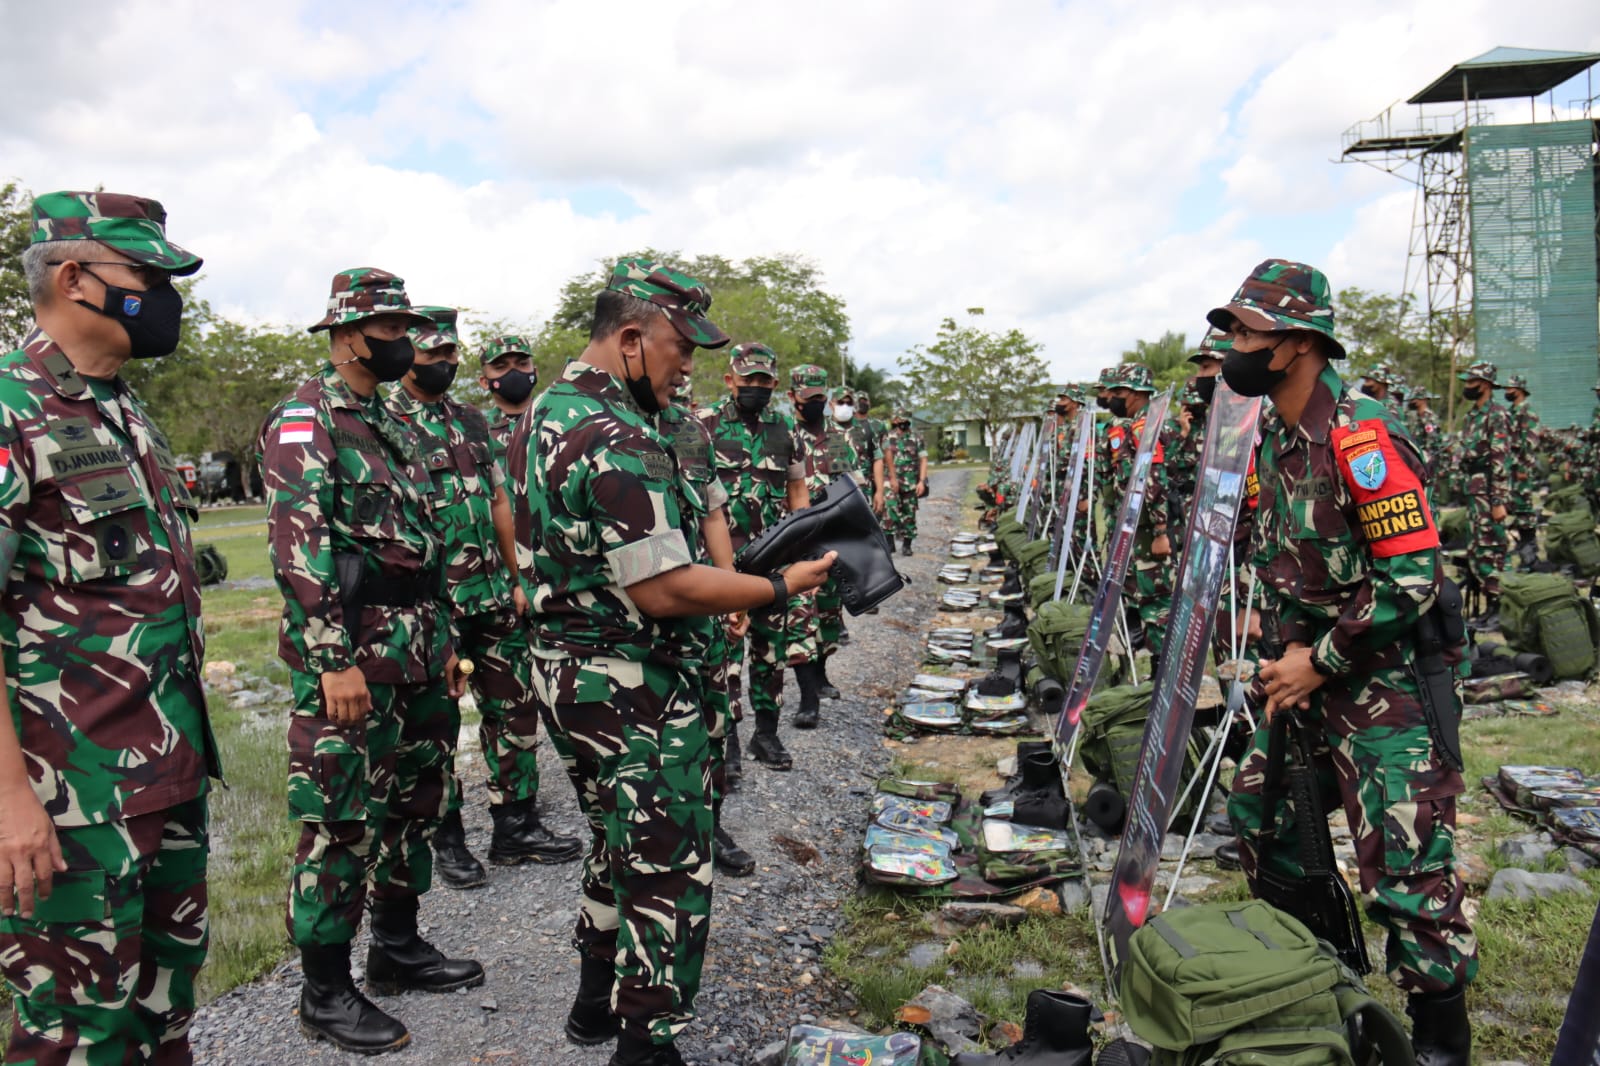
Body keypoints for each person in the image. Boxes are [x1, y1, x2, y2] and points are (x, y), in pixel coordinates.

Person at [508, 257, 833, 1066]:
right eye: (678, 347)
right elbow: (662, 588)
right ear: (628, 338)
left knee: (618, 840)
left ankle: (593, 1000)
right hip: (632, 687)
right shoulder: (614, 434)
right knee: (666, 866)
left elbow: (518, 530)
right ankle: (645, 1043)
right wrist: (774, 584)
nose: (689, 366)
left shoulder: (548, 408)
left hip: (569, 673)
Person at [1211, 259, 1476, 1063]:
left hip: (1386, 686)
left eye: (1248, 332)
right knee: (1262, 815)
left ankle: (1437, 1035)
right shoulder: (1277, 439)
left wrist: (1319, 660)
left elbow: (1411, 576)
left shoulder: (1360, 435)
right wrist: (1287, 649)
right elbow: (1287, 563)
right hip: (1314, 679)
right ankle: (1319, 980)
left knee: (1406, 867)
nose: (1233, 348)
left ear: (1296, 346)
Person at [0, 190, 219, 1063]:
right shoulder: (12, 407)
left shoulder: (123, 411)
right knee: (74, 1033)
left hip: (164, 771)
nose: (166, 296)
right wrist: (10, 803)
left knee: (164, 1014)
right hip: (67, 795)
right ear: (76, 275)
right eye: (149, 274)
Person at [262, 267, 481, 1054]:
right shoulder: (307, 416)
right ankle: (325, 989)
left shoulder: (395, 421)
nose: (405, 342)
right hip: (354, 654)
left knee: (415, 805)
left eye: (406, 328)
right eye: (390, 331)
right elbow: (299, 545)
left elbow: (428, 545)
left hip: (417, 647)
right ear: (348, 335)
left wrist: (447, 642)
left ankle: (396, 945)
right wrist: (331, 657)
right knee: (339, 819)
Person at [386, 307, 580, 889]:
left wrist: (518, 577)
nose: (443, 363)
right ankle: (446, 839)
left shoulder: (470, 420)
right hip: (434, 602)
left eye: (450, 354)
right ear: (407, 358)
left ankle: (514, 826)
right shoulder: (388, 422)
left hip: (494, 594)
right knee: (438, 725)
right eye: (432, 354)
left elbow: (499, 501)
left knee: (514, 710)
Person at [702, 342, 809, 771]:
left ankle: (766, 736)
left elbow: (798, 492)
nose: (756, 387)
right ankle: (725, 744)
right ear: (730, 379)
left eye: (764, 380)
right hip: (717, 564)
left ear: (775, 384)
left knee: (771, 653)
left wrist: (802, 545)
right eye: (748, 379)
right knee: (722, 657)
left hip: (772, 562)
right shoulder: (702, 426)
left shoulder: (786, 430)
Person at [790, 364, 858, 710]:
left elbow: (847, 487)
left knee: (829, 613)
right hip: (799, 539)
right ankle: (806, 698)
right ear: (793, 398)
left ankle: (822, 675)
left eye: (820, 397)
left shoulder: (835, 438)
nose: (815, 403)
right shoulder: (785, 435)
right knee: (802, 615)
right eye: (808, 398)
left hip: (832, 538)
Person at [1456, 360, 1511, 624]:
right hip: (1474, 492)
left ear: (1486, 385)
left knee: (1492, 548)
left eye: (1472, 382)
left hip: (1489, 493)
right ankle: (1489, 602)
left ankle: (1501, 605)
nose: (1467, 387)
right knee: (1477, 550)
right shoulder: (1471, 416)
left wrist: (1498, 500)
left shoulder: (1497, 415)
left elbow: (1500, 459)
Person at [1501, 374, 1542, 564]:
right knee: (1515, 503)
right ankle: (1523, 542)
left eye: (1510, 389)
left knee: (1524, 505)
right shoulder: (1511, 411)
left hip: (1521, 467)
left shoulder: (1527, 412)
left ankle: (1529, 545)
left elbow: (1531, 441)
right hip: (1512, 465)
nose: (1507, 392)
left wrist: (1524, 466)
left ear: (1519, 390)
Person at [478, 333, 539, 449]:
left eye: (522, 364)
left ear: (535, 373)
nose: (514, 372)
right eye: (501, 367)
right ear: (485, 382)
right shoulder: (478, 432)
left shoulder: (559, 419)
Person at [883, 410, 928, 555]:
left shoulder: (916, 438)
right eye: (898, 419)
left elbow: (923, 459)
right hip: (891, 481)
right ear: (894, 421)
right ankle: (889, 543)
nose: (901, 422)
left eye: (904, 419)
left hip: (911, 482)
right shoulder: (887, 438)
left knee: (909, 514)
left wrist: (922, 481)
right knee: (890, 510)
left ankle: (907, 545)